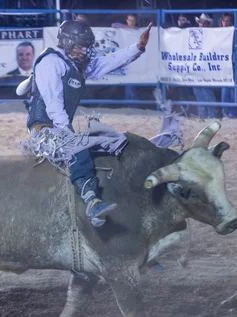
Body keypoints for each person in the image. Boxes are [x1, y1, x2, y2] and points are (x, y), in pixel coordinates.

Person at [20, 20, 152, 227]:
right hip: (43, 131)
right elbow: (54, 104)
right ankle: (91, 201)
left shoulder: (74, 64)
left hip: (58, 127)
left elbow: (107, 63)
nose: (85, 50)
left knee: (112, 141)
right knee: (80, 147)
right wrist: (68, 134)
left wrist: (137, 48)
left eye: (86, 46)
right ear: (68, 43)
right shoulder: (51, 63)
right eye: (80, 45)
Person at [192, 13, 219, 119]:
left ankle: (212, 113)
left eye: (204, 23)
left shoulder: (213, 34)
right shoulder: (196, 33)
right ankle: (202, 113)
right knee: (198, 89)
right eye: (200, 22)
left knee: (206, 90)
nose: (201, 24)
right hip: (199, 64)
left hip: (208, 65)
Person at [219, 13, 237, 119]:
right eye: (224, 20)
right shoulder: (216, 33)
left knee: (233, 89)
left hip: (232, 61)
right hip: (223, 62)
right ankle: (226, 112)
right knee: (225, 87)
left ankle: (233, 113)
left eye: (228, 21)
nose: (226, 23)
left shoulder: (235, 31)